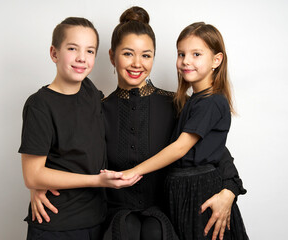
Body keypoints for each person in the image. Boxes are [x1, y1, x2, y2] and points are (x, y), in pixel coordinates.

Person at [30, 7, 246, 240]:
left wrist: (229, 190)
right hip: (112, 218)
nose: (137, 64)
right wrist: (37, 184)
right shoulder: (98, 107)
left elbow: (214, 150)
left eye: (146, 55)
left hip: (170, 215)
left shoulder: (175, 103)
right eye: (127, 54)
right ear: (112, 56)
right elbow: (70, 151)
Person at [120, 22, 249, 240]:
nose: (186, 61)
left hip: (199, 191)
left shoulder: (211, 102)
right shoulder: (191, 102)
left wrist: (134, 171)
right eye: (181, 54)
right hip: (182, 193)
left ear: (216, 60)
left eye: (196, 54)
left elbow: (181, 148)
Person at [19, 17, 141, 240]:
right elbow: (32, 175)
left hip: (97, 220)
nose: (82, 58)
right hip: (57, 224)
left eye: (90, 51)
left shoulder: (89, 91)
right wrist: (96, 181)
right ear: (54, 53)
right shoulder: (40, 105)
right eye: (73, 48)